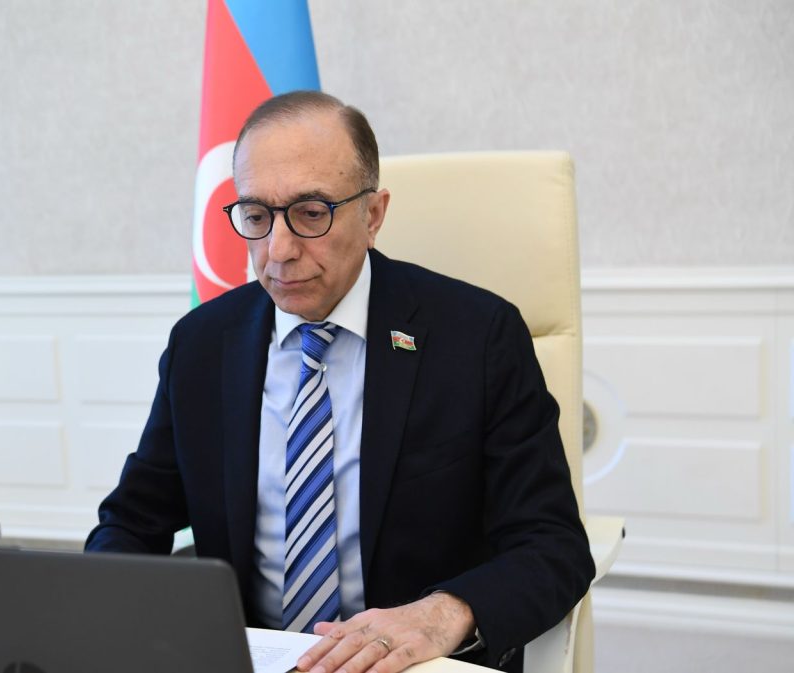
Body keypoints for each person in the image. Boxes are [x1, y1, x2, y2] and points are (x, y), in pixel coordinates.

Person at [86, 91, 594, 673]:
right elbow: (131, 522)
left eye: (311, 213)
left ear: (373, 215)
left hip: (412, 665)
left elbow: (552, 546)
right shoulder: (202, 345)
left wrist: (442, 614)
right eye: (256, 216)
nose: (278, 251)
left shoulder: (477, 337)